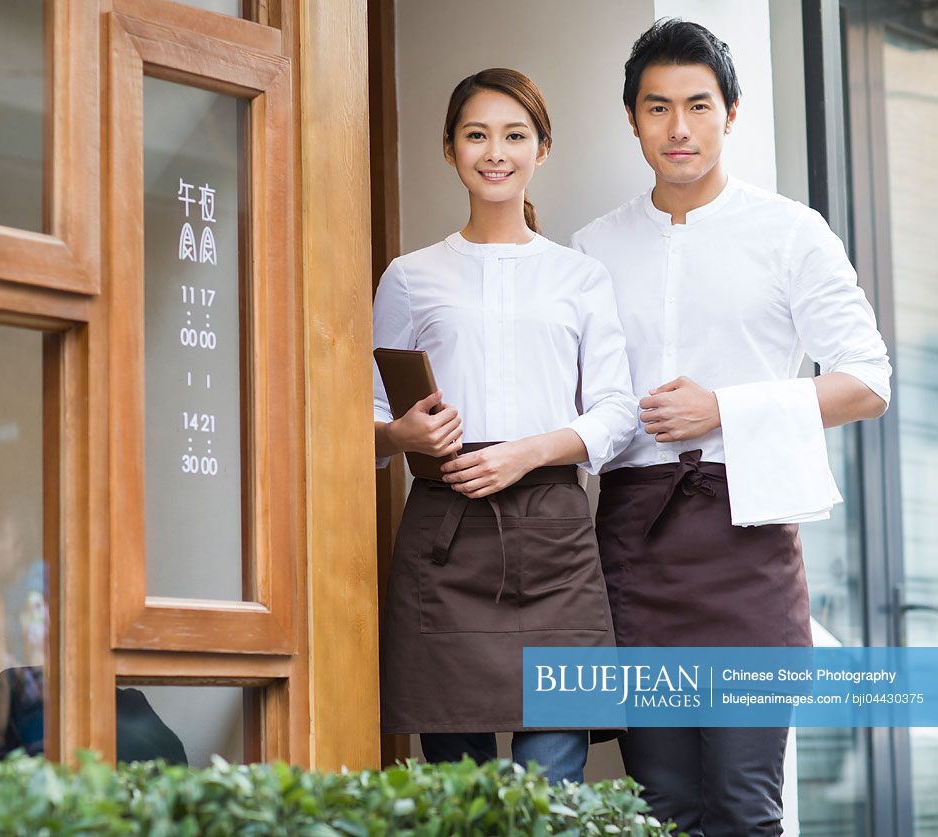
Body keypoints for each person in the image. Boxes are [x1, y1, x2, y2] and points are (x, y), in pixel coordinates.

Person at [571, 19, 891, 835]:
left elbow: (866, 381)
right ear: (632, 120)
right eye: (657, 108)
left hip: (746, 538)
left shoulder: (791, 232)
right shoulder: (591, 249)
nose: (678, 127)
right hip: (632, 541)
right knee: (662, 806)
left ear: (731, 113)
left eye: (697, 105)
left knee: (746, 805)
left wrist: (725, 408)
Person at [373, 68, 637, 784]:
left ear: (541, 149)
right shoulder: (409, 276)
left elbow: (615, 412)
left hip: (554, 533)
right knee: (456, 789)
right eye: (476, 134)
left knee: (549, 785)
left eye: (514, 135)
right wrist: (401, 437)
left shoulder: (578, 276)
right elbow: (368, 417)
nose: (495, 151)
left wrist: (523, 453)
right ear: (450, 149)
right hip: (443, 531)